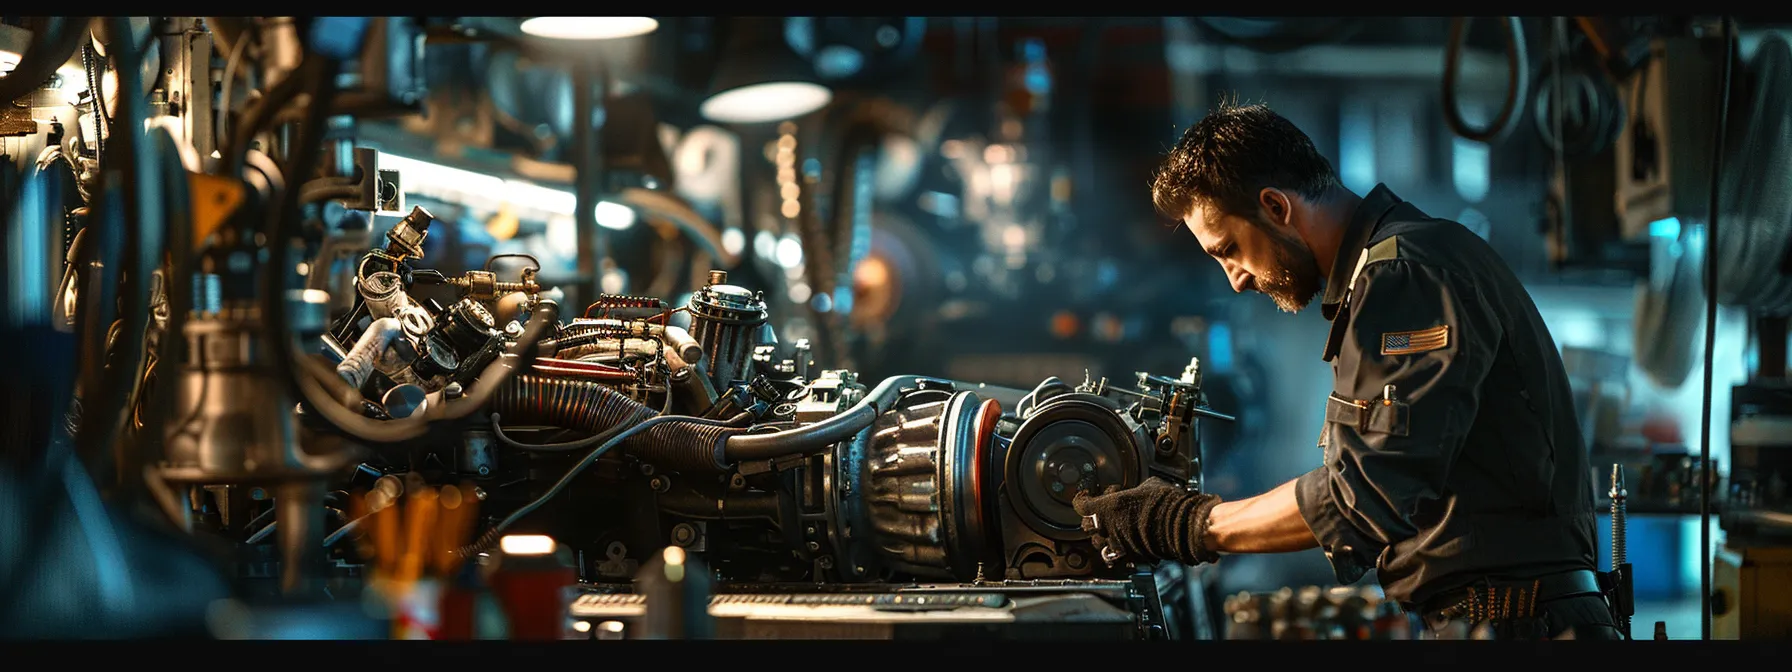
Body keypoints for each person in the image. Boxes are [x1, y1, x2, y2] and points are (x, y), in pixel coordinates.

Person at [1072, 101, 1620, 640]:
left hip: (1520, 622)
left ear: (1276, 207)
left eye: (1229, 249)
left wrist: (1188, 524)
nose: (1234, 279)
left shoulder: (1405, 275)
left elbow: (1364, 494)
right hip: (1502, 618)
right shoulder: (1397, 270)